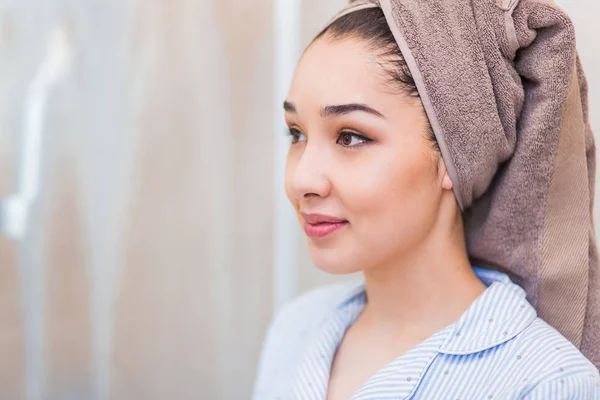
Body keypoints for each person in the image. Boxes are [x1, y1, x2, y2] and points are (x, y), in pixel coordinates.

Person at [253, 2, 600, 399]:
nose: (302, 180)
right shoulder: (295, 329)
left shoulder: (544, 382)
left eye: (350, 136)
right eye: (296, 134)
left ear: (455, 152)